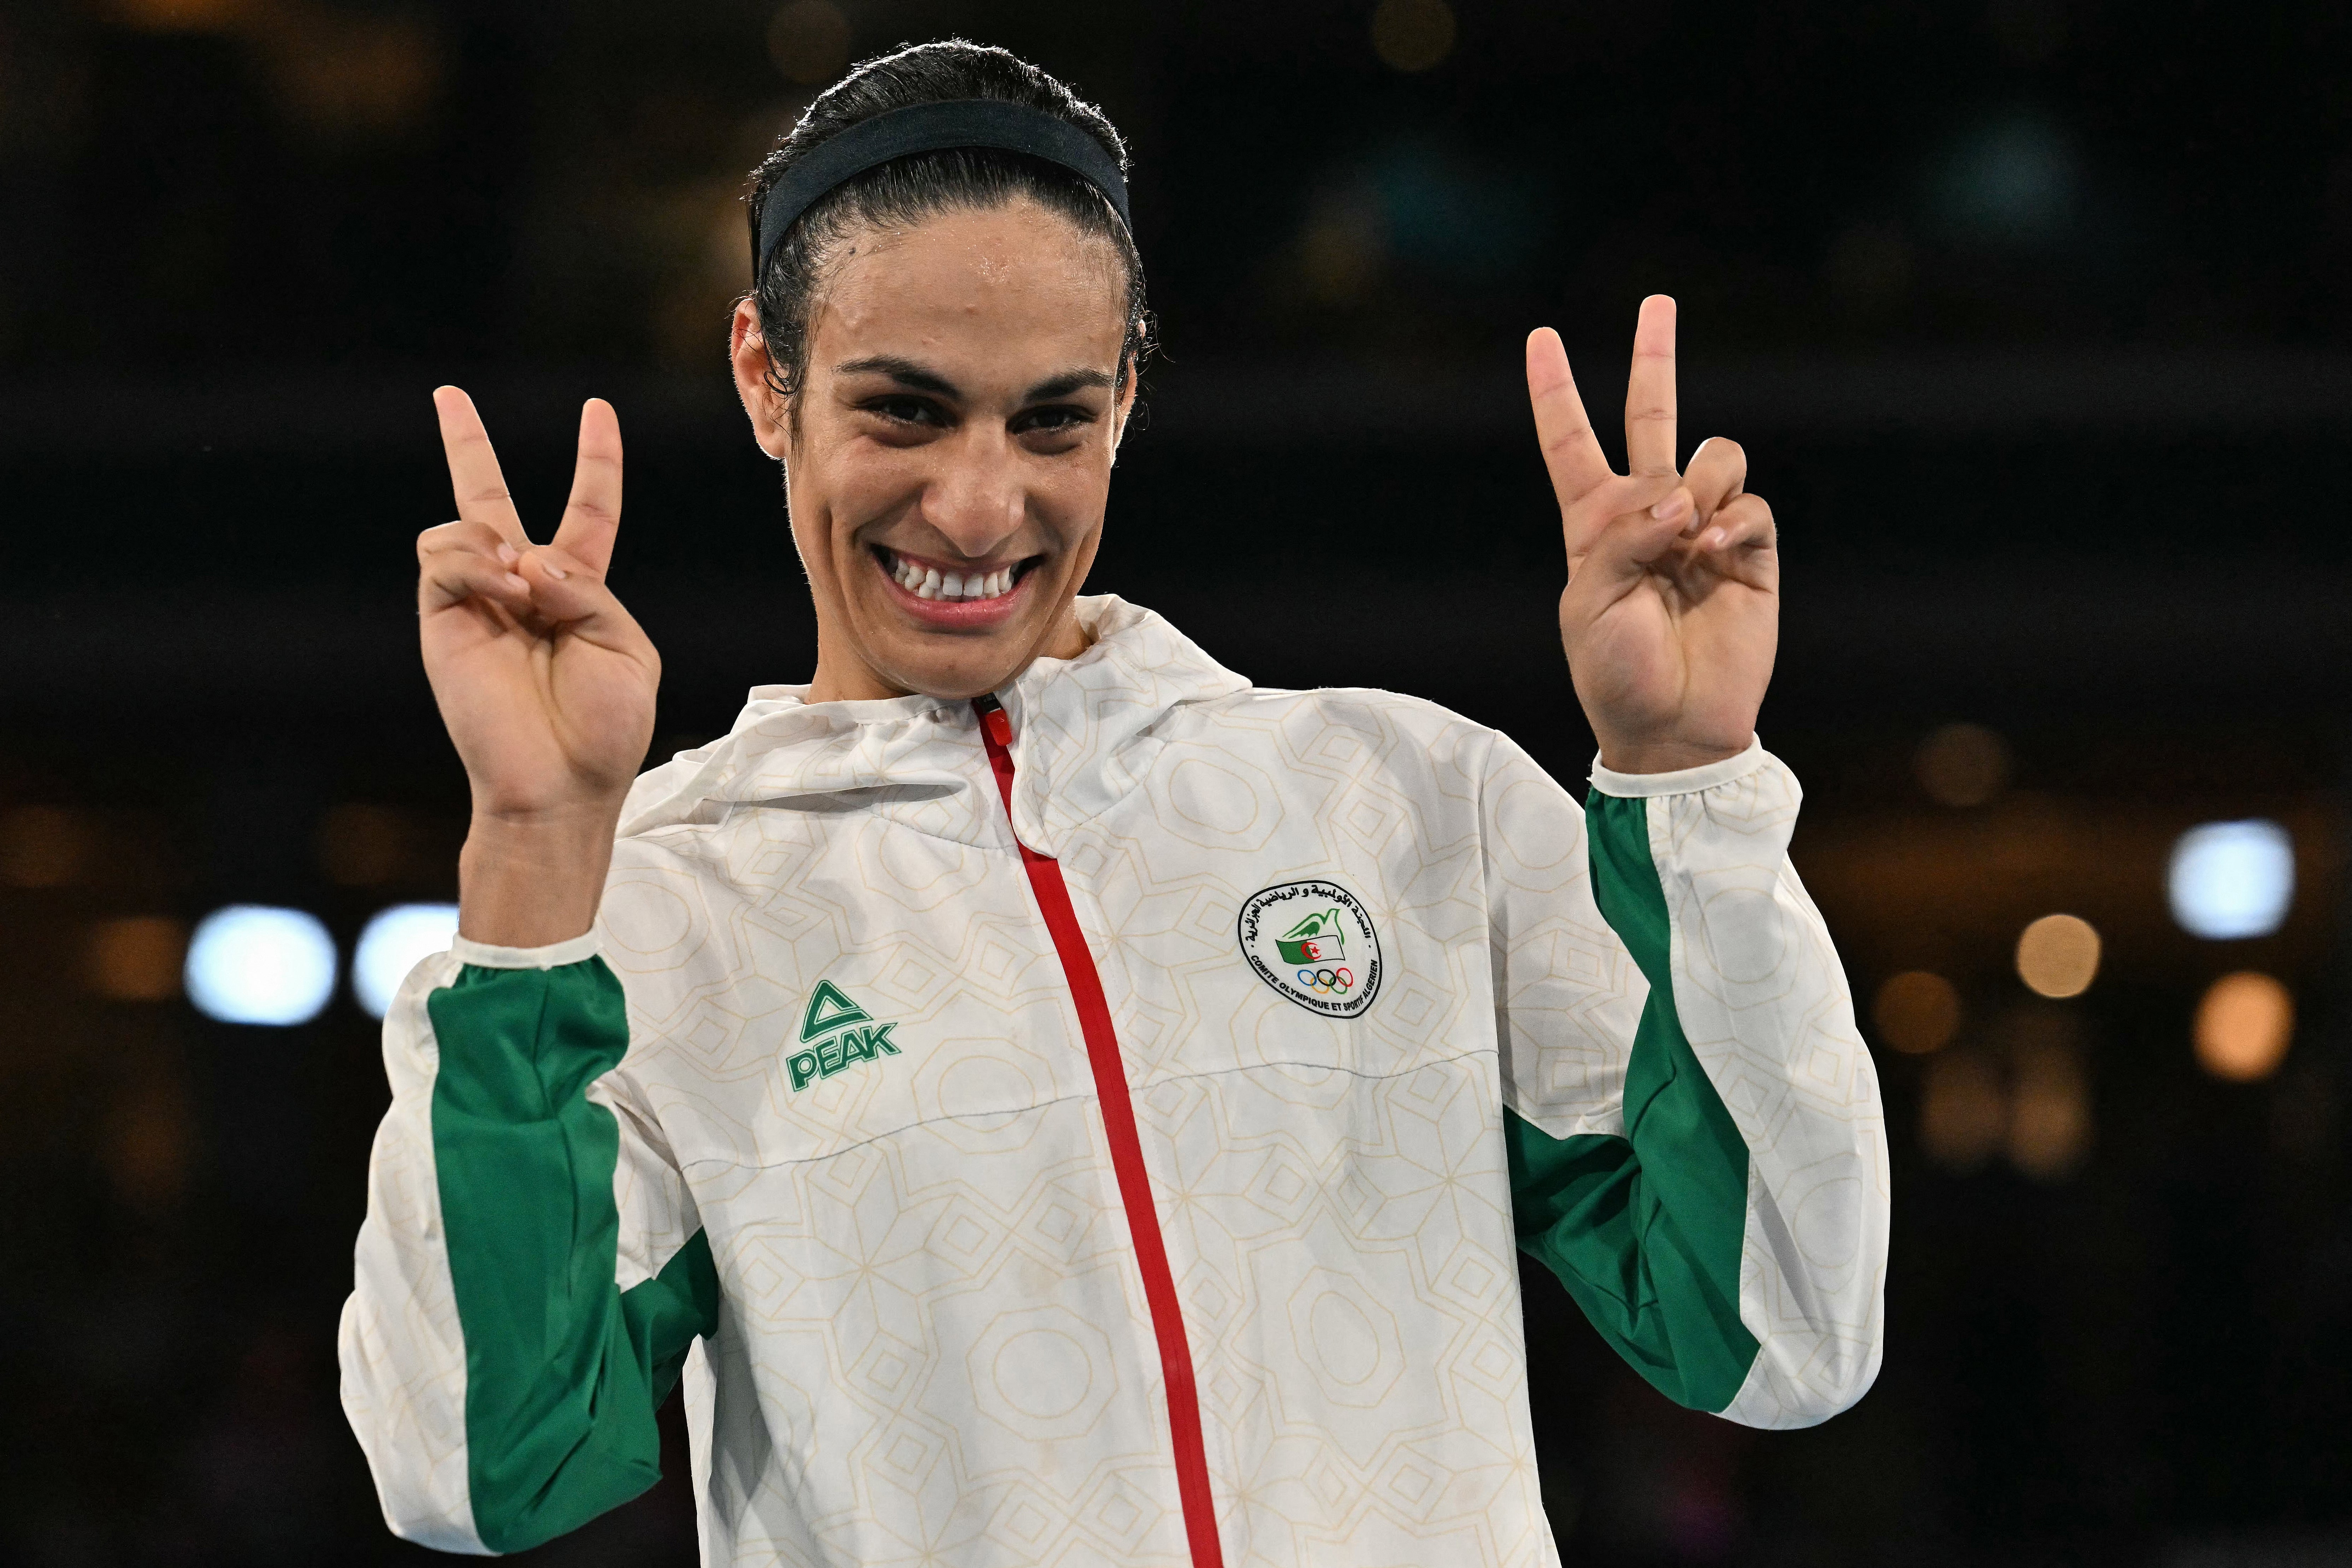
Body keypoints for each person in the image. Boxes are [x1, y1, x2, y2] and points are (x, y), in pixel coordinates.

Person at [339, 39, 1887, 1568]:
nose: (978, 504)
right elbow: (485, 1471)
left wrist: (1693, 793)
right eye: (905, 412)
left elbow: (1780, 1328)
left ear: (1129, 399)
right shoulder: (655, 918)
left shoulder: (1413, 805)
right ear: (767, 375)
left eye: (1053, 420)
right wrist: (537, 853)